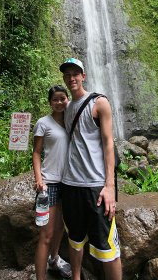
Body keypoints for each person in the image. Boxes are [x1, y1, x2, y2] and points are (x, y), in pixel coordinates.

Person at [59, 58, 122, 280]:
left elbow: (108, 143)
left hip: (96, 187)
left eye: (75, 73)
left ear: (83, 76)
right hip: (70, 185)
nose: (71, 78)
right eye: (67, 75)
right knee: (75, 240)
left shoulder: (99, 103)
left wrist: (110, 186)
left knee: (107, 248)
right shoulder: (65, 108)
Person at [32, 85, 72, 280]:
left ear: (68, 100)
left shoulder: (72, 121)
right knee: (46, 235)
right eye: (55, 99)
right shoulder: (43, 123)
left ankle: (54, 259)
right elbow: (36, 153)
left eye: (62, 98)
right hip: (50, 183)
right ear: (50, 102)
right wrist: (39, 179)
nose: (59, 102)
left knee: (60, 228)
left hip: (71, 182)